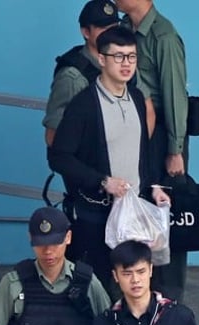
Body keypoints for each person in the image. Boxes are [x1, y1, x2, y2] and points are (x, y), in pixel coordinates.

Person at [49, 27, 170, 294]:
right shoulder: (84, 105)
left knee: (138, 286)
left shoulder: (137, 98)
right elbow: (58, 157)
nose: (126, 63)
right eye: (118, 57)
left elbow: (142, 151)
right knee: (101, 289)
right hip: (98, 214)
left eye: (131, 57)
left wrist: (154, 186)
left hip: (135, 211)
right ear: (102, 59)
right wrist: (102, 181)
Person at [118, 0, 190, 302]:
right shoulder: (123, 29)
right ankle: (139, 287)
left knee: (165, 212)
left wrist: (175, 148)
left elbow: (174, 94)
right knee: (135, 207)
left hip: (161, 131)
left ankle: (169, 294)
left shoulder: (163, 36)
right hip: (133, 130)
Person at [44, 1, 155, 148]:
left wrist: (135, 152)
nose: (110, 33)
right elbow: (53, 136)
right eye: (103, 27)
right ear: (86, 32)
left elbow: (148, 111)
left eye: (114, 26)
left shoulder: (124, 64)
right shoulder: (73, 77)